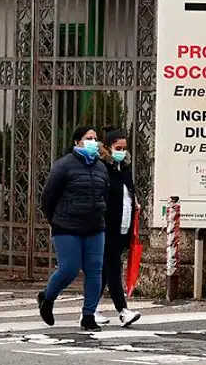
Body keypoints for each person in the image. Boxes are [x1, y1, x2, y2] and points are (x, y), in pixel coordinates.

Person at [38, 126, 109, 331]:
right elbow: (48, 197)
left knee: (95, 271)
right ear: (78, 142)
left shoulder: (100, 167)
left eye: (95, 138)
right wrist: (55, 220)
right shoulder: (64, 165)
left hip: (95, 227)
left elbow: (104, 195)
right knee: (68, 269)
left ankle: (88, 315)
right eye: (89, 138)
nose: (93, 142)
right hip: (67, 227)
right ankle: (47, 297)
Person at [100, 128, 141, 328]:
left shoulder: (123, 169)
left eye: (124, 148)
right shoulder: (103, 169)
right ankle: (123, 311)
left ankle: (88, 310)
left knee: (103, 272)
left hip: (123, 227)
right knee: (113, 268)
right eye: (118, 148)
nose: (122, 152)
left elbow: (128, 193)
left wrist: (135, 203)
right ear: (108, 148)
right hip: (107, 227)